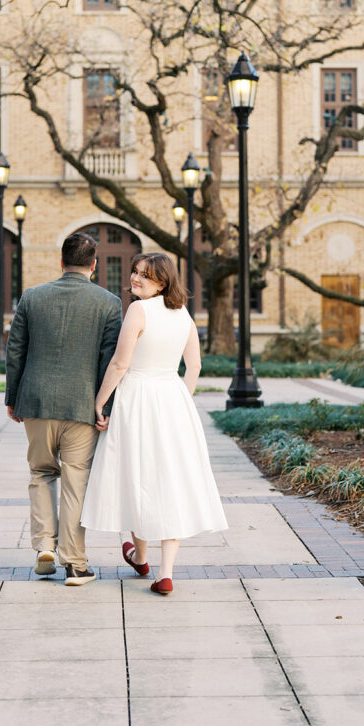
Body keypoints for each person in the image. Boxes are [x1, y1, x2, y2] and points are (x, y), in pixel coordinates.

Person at [81, 252, 228, 595]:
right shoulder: (183, 314)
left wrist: (100, 401)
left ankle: (142, 556)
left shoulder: (138, 310)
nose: (135, 279)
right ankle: (163, 571)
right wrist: (182, 398)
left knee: (137, 475)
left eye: (144, 276)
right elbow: (194, 366)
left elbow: (119, 364)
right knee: (169, 479)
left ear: (162, 282)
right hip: (172, 399)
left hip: (137, 398)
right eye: (134, 272)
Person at [6, 232, 122, 586]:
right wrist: (106, 407)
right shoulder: (109, 302)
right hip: (83, 405)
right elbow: (109, 360)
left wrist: (13, 397)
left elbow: (15, 351)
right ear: (94, 265)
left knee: (41, 473)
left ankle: (44, 546)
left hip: (36, 402)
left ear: (61, 261)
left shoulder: (32, 297)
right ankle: (74, 562)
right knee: (76, 482)